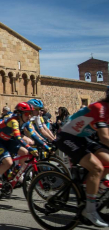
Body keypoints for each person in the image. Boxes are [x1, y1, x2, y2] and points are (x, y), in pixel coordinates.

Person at [55, 87, 109, 227]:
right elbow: (104, 137)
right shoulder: (100, 108)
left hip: (82, 138)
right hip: (67, 137)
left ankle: (92, 189)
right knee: (96, 168)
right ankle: (89, 210)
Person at [0, 102, 38, 194]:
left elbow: (34, 135)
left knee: (25, 153)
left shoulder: (25, 122)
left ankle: (19, 173)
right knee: (8, 162)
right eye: (27, 114)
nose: (29, 116)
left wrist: (46, 145)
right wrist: (30, 147)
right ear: (20, 114)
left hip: (7, 140)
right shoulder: (13, 121)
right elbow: (18, 138)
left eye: (30, 114)